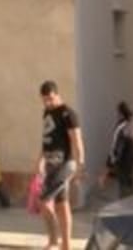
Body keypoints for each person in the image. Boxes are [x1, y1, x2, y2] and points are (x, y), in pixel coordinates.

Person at [36, 81, 83, 250]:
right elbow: (46, 139)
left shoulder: (68, 114)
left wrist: (80, 165)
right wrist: (40, 161)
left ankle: (54, 241)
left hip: (65, 163)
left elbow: (77, 141)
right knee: (62, 204)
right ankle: (66, 245)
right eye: (44, 100)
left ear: (57, 94)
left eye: (50, 98)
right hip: (50, 164)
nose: (47, 102)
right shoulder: (47, 112)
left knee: (43, 201)